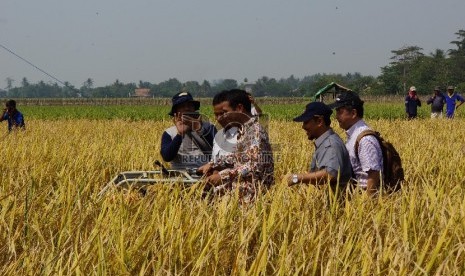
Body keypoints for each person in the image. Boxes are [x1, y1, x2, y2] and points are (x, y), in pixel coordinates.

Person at [202, 89, 274, 202]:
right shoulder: (244, 130)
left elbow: (253, 166)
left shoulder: (255, 132)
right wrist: (213, 164)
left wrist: (222, 176)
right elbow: (239, 158)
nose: (220, 118)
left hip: (253, 201)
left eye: (224, 112)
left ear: (240, 108)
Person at [284, 101, 352, 194]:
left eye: (306, 122)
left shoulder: (331, 144)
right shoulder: (324, 143)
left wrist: (296, 178)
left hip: (336, 205)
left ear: (319, 121)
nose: (303, 126)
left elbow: (330, 174)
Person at [328, 92, 383, 196]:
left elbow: (373, 174)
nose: (336, 117)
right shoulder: (353, 135)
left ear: (353, 113)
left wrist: (366, 206)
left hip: (364, 198)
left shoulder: (365, 139)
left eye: (340, 112)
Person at [160, 91, 216, 170]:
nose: (187, 108)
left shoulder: (209, 127)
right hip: (181, 177)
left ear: (194, 109)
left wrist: (199, 129)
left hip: (206, 174)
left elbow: (218, 150)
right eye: (182, 106)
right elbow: (167, 157)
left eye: (190, 105)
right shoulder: (169, 133)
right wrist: (180, 134)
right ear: (176, 112)